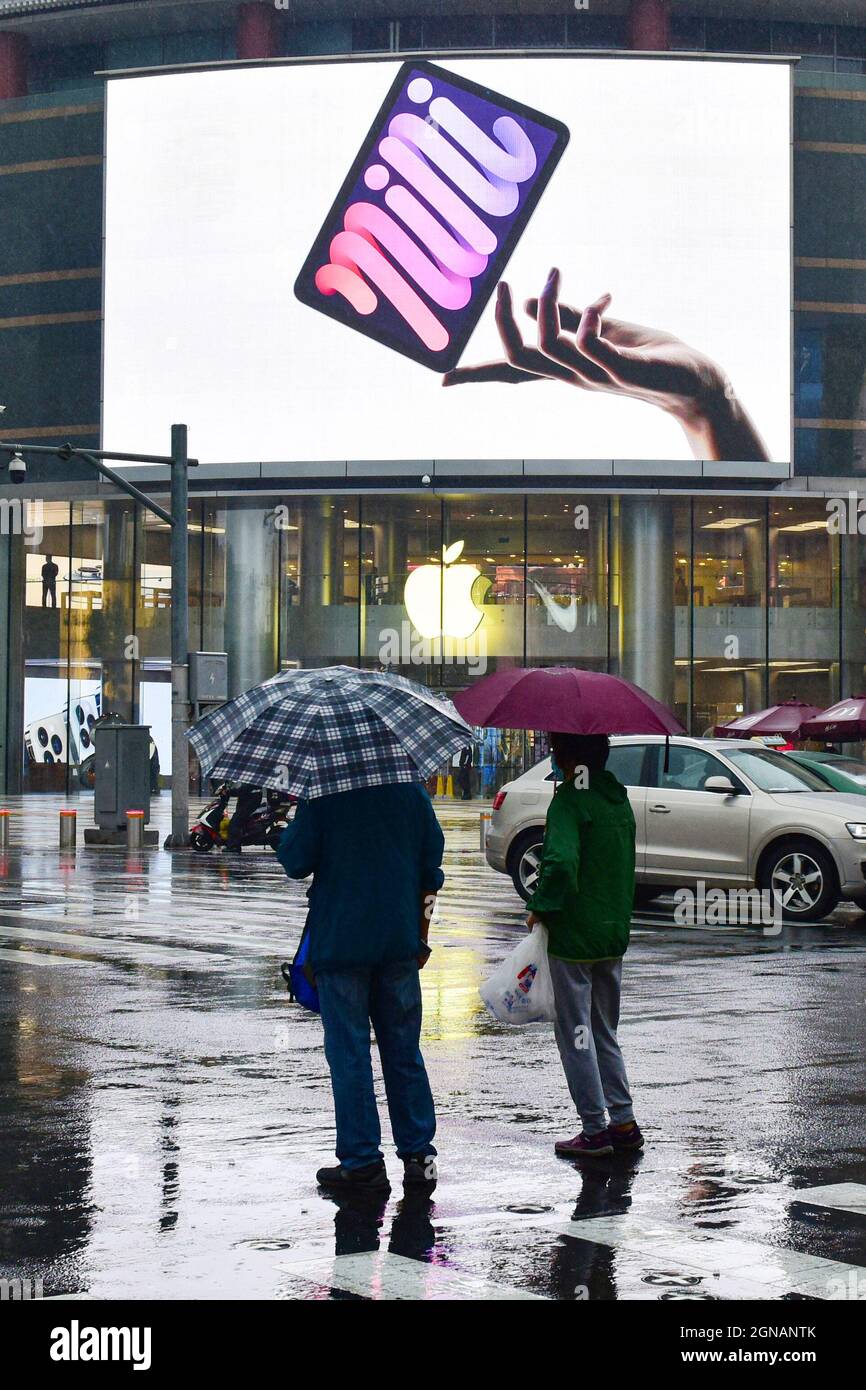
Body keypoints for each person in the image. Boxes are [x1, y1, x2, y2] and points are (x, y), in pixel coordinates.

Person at [277, 781, 444, 1191]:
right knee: (404, 1052)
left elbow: (295, 861)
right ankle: (420, 1155)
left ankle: (362, 1160)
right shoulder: (411, 792)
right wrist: (421, 933)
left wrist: (297, 817)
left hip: (341, 944)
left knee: (350, 1054)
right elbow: (431, 865)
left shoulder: (323, 794)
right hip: (398, 940)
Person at [525, 732, 643, 1158]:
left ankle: (595, 1130)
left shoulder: (570, 802)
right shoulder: (618, 800)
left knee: (575, 1033)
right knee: (603, 1031)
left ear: (569, 758)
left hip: (574, 936)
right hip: (613, 932)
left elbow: (560, 863)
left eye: (556, 752)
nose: (554, 759)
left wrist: (540, 906)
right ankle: (623, 1122)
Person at [224, 784, 262, 851]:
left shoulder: (250, 783)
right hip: (251, 806)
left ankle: (234, 846)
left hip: (247, 808)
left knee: (234, 824)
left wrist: (228, 791)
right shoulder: (257, 783)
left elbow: (241, 791)